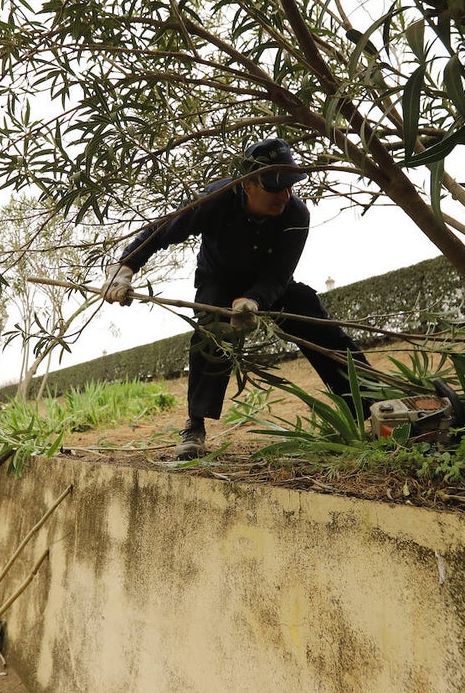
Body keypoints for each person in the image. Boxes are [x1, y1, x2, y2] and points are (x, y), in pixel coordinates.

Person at [101, 138, 368, 459]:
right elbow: (162, 230)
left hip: (268, 286)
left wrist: (254, 300)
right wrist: (125, 266)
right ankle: (194, 426)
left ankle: (372, 401)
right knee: (210, 334)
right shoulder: (213, 200)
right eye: (275, 187)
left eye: (289, 186)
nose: (284, 195)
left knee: (310, 313)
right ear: (248, 185)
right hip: (218, 281)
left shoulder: (295, 213)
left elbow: (279, 274)